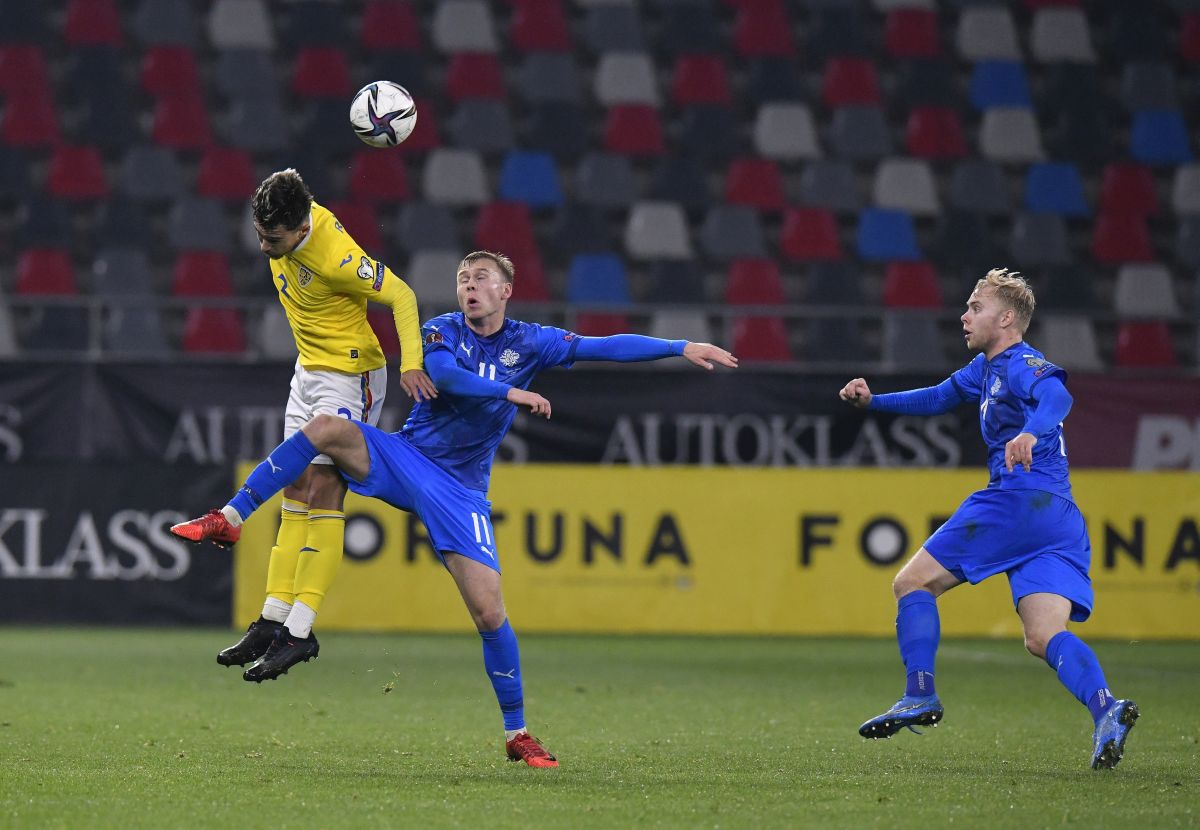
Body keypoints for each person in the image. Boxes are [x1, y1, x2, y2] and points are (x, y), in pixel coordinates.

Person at [172, 250, 738, 767]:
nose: (470, 286)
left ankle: (518, 735)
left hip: (460, 492)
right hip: (406, 459)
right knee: (324, 429)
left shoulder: (531, 342)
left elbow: (602, 346)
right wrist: (509, 393)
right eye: (464, 278)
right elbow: (442, 377)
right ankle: (235, 516)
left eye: (482, 278)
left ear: (506, 291)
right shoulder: (440, 332)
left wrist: (679, 347)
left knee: (491, 614)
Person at [839, 268, 1138, 770]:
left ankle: (919, 694)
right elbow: (938, 397)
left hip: (1018, 500)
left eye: (975, 307)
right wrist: (874, 401)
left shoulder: (1021, 363)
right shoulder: (986, 369)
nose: (964, 315)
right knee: (1042, 636)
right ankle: (1106, 709)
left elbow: (1057, 397)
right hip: (1058, 517)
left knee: (911, 584)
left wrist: (1031, 432)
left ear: (1005, 318)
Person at [172, 169, 438, 679]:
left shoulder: (337, 257)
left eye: (272, 239)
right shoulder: (287, 227)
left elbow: (402, 295)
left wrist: (411, 363)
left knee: (323, 489)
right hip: (308, 371)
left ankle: (301, 628)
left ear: (299, 231)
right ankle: (273, 620)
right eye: (258, 234)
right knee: (295, 488)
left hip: (351, 374)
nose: (263, 246)